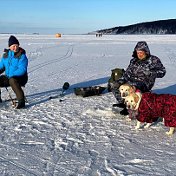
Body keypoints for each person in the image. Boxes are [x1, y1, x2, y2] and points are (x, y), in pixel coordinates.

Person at [111, 41, 166, 115]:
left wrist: (151, 73)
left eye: (141, 52)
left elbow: (163, 72)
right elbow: (127, 73)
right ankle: (124, 103)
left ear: (146, 52)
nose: (139, 54)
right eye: (138, 52)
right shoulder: (133, 60)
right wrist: (121, 80)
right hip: (130, 80)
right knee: (115, 85)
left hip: (144, 83)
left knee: (131, 87)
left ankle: (132, 107)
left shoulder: (154, 60)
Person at [0, 35, 28, 109]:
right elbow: (1, 67)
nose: (15, 48)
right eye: (13, 46)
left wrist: (12, 75)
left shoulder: (22, 56)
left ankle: (21, 101)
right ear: (9, 47)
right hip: (8, 77)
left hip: (20, 77)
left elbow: (22, 70)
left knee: (12, 80)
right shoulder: (5, 55)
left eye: (16, 46)